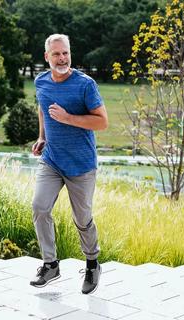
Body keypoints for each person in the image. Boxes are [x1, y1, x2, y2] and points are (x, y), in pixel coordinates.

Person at [29, 34, 108, 295]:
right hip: (52, 160)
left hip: (81, 165)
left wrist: (68, 118)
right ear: (46, 57)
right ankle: (50, 264)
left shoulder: (85, 85)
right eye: (56, 54)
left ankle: (92, 263)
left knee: (82, 219)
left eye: (65, 53)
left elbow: (102, 122)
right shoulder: (40, 81)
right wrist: (42, 136)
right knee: (40, 207)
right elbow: (42, 108)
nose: (62, 58)